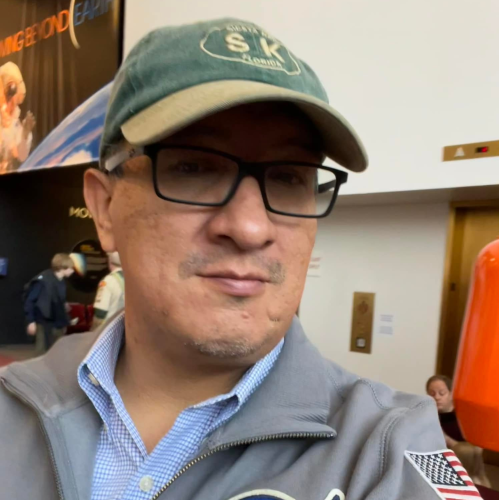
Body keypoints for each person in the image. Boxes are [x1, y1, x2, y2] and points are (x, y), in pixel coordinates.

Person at [0, 19, 483, 500]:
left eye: (289, 177)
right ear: (105, 208)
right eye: (193, 167)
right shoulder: (13, 405)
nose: (251, 228)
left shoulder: (389, 451)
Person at [24, 253, 75, 353]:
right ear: (62, 267)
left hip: (57, 323)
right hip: (43, 323)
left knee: (57, 352)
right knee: (41, 352)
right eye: (71, 268)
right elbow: (30, 301)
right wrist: (31, 321)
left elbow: (59, 302)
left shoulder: (61, 282)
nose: (73, 271)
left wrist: (64, 321)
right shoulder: (43, 280)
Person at [0, 62, 36, 173]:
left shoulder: (17, 125)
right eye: (8, 91)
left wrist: (25, 134)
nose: (10, 98)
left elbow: (21, 156)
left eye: (13, 91)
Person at [426, 374, 465, 448]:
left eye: (442, 393)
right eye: (432, 394)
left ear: (451, 394)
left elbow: (473, 451)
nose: (437, 397)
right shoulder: (425, 418)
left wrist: (447, 440)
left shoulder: (464, 420)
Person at [92, 251, 125, 329]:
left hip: (109, 328)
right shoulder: (133, 278)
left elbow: (100, 312)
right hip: (125, 326)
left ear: (110, 262)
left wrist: (94, 329)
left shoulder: (108, 281)